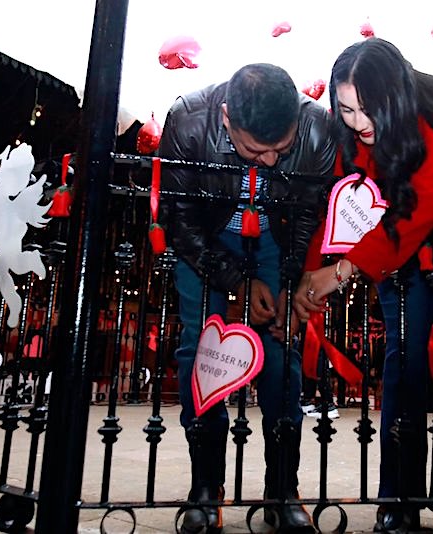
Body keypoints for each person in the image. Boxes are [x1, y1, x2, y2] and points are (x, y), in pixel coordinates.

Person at [293, 39, 433, 532]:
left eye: (370, 110)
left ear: (398, 97)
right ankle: (399, 497)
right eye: (346, 109)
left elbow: (416, 215)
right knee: (403, 354)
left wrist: (339, 273)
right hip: (389, 235)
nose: (359, 123)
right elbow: (340, 207)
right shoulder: (345, 134)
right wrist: (309, 273)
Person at [159, 63, 336, 534]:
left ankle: (282, 488)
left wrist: (288, 285)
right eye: (256, 150)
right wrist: (237, 282)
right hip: (209, 244)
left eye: (282, 148)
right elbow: (179, 221)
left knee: (282, 353)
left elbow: (307, 218)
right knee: (202, 349)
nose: (272, 162)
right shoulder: (187, 120)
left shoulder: (319, 129)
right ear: (224, 118)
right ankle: (206, 487)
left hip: (279, 243)